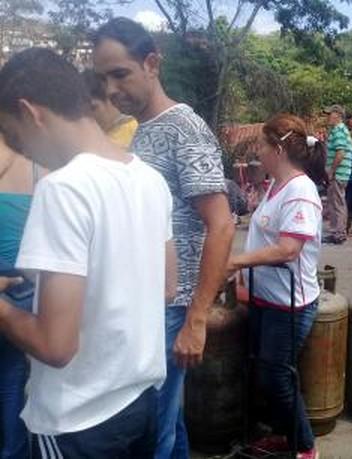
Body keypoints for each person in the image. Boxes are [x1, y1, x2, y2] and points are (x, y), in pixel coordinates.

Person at [0, 47, 175, 457]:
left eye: (14, 134)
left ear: (32, 113)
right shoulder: (149, 179)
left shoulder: (63, 188)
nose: (21, 150)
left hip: (77, 422)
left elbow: (55, 346)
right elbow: (166, 287)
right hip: (140, 402)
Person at [93, 18, 235, 458]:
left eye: (121, 73)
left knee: (152, 431)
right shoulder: (141, 130)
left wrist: (196, 320)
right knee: (165, 422)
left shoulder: (183, 129)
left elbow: (222, 224)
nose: (112, 88)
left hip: (173, 310)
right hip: (148, 305)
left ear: (151, 63)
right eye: (103, 78)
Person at [226, 114, 324, 459]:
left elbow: (288, 249)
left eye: (262, 147)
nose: (258, 153)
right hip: (267, 298)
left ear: (278, 150)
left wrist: (238, 262)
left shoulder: (300, 190)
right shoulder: (277, 185)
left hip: (290, 304)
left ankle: (306, 447)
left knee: (276, 377)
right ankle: (286, 437)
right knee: (263, 371)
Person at [0, 135, 42, 458]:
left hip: (17, 289)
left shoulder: (40, 163)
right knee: (12, 386)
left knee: (12, 384)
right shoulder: (37, 161)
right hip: (21, 287)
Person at [81, 68, 138, 147]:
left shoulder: (132, 133)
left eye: (92, 109)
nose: (88, 116)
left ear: (110, 100)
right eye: (83, 111)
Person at [322, 104, 352, 245]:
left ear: (338, 115)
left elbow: (340, 153)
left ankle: (338, 233)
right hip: (341, 173)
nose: (328, 117)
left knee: (337, 203)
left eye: (330, 114)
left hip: (338, 173)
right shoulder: (339, 130)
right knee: (337, 202)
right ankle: (337, 231)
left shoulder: (339, 130)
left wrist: (331, 170)